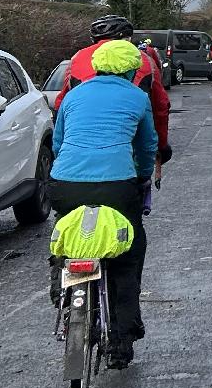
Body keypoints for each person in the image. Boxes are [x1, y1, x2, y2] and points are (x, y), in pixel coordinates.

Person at [49, 39, 156, 368]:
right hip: (116, 186)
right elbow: (147, 145)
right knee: (129, 248)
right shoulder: (138, 97)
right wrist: (141, 177)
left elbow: (58, 141)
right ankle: (122, 337)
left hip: (65, 183)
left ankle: (61, 274)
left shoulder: (74, 95)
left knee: (68, 226)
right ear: (130, 70)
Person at [57, 14, 172, 174]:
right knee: (133, 182)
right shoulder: (143, 59)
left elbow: (60, 104)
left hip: (76, 147)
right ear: (127, 40)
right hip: (127, 143)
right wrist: (161, 146)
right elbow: (160, 107)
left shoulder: (77, 58)